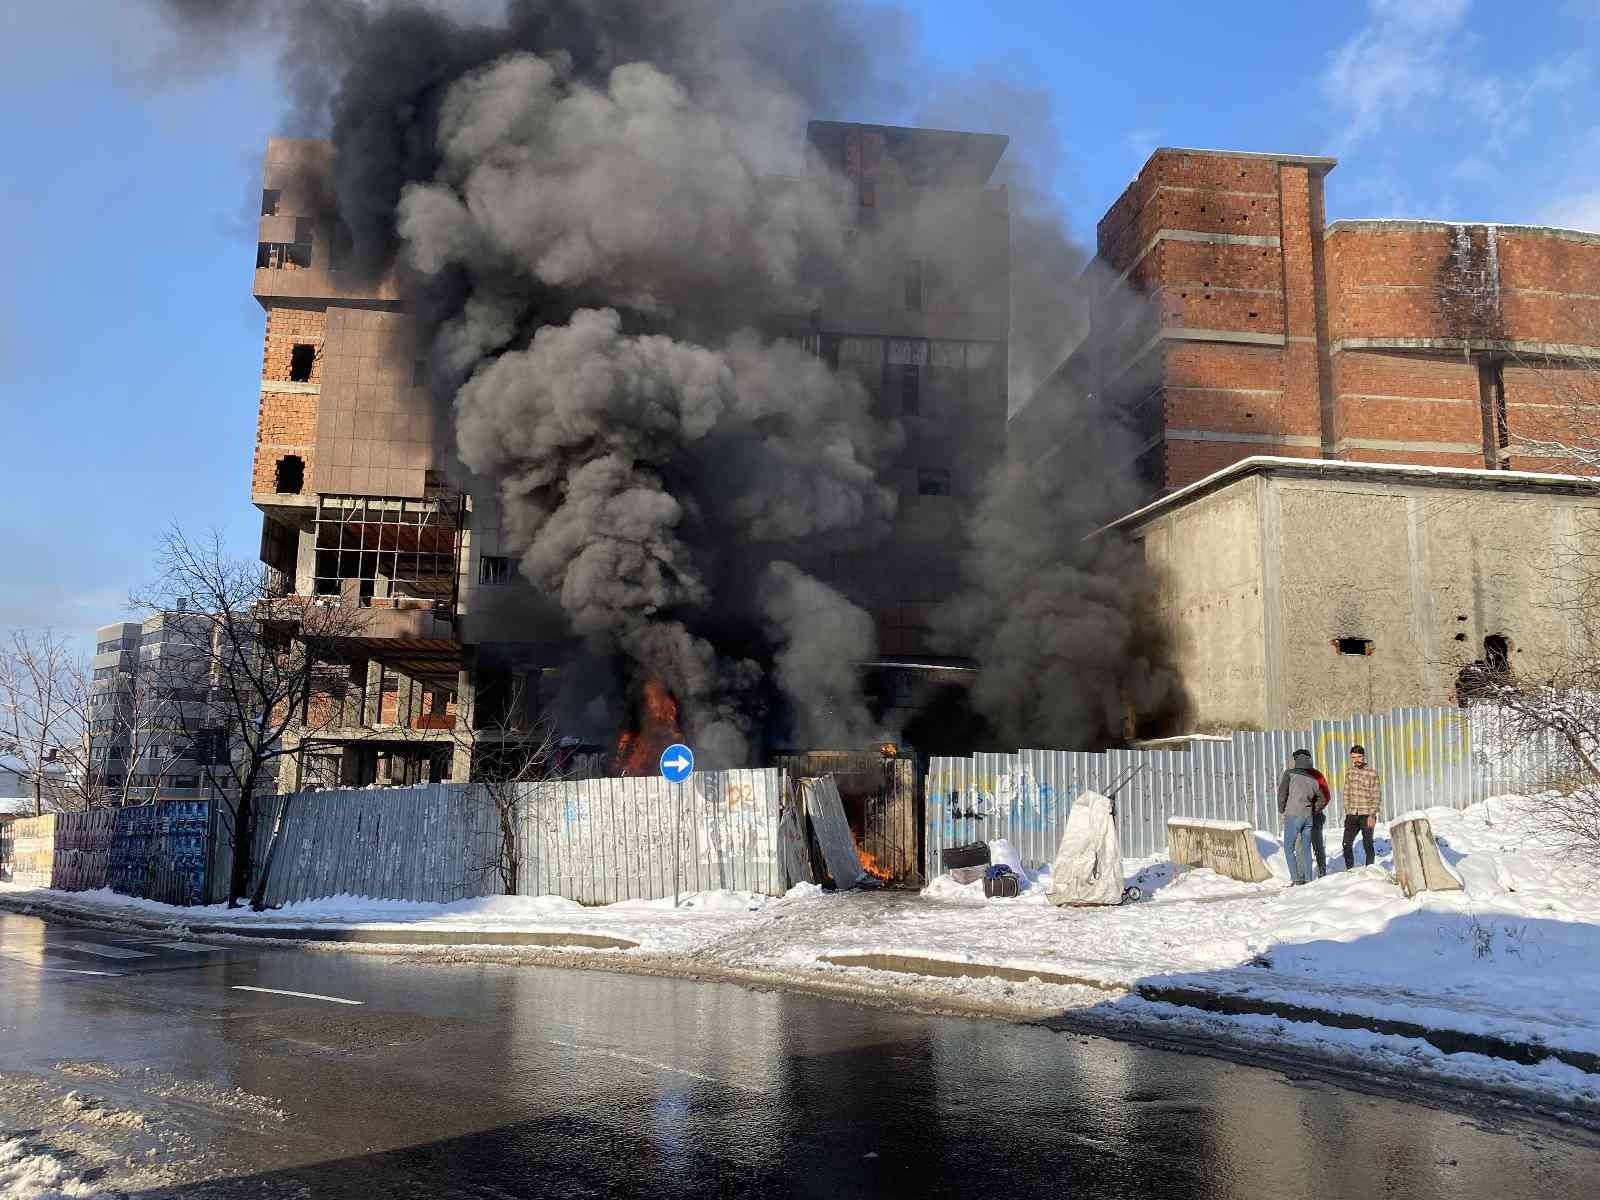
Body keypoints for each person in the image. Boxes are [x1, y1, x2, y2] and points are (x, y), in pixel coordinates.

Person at [1277, 749, 1323, 885]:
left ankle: (1296, 879)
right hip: (1308, 817)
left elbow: (1282, 793)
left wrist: (1281, 809)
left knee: (1288, 847)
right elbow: (1322, 798)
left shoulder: (1289, 774)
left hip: (1293, 815)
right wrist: (1313, 809)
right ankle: (1308, 879)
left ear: (1296, 760)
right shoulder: (1314, 779)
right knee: (1306, 848)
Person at [1341, 744, 1382, 869]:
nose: (1356, 760)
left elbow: (1376, 795)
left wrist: (1372, 815)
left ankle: (1370, 869)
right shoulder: (1349, 772)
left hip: (1366, 815)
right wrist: (1348, 810)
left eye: (1359, 757)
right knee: (1346, 844)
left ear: (1363, 757)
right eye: (1354, 757)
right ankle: (1350, 870)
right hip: (1352, 814)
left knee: (1367, 844)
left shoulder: (1372, 773)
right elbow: (1346, 792)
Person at [1308, 762, 1332, 878]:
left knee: (1317, 845)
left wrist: (1313, 810)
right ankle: (1302, 876)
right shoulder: (1293, 775)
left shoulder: (1316, 775)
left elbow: (1326, 796)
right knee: (1301, 847)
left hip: (1314, 816)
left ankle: (1322, 872)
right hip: (1298, 817)